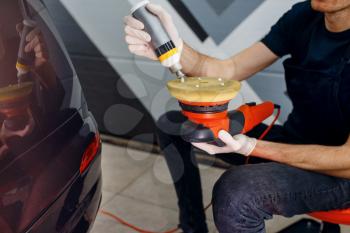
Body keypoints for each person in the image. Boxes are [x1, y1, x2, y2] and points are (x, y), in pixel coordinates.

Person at [124, 0, 350, 232]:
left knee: (236, 194)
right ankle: (192, 227)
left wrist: (252, 146)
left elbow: (347, 160)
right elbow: (228, 70)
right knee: (173, 125)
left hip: (341, 173)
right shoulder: (304, 16)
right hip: (297, 140)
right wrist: (175, 49)